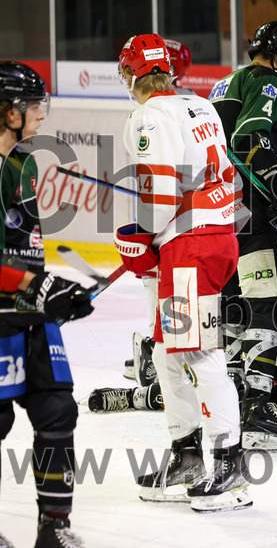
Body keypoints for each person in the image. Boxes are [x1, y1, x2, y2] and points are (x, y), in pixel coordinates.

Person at [114, 34, 251, 512]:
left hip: (189, 246)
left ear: (131, 76)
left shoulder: (147, 116)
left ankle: (231, 466)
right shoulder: (201, 105)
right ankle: (188, 454)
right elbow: (227, 178)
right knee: (170, 352)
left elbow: (161, 191)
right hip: (212, 240)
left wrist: (141, 240)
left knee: (196, 352)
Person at [0, 61, 94, 547]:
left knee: (58, 410)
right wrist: (36, 286)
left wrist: (53, 288)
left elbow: (25, 245)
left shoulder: (21, 163)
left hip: (28, 310)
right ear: (8, 111)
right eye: (32, 104)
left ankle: (53, 527)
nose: (41, 112)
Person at [208, 20, 277, 451]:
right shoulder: (269, 83)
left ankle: (229, 403)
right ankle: (257, 406)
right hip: (255, 209)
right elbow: (251, 136)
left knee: (235, 306)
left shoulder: (222, 84)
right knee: (276, 303)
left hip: (220, 213)